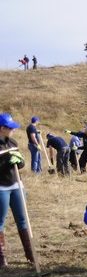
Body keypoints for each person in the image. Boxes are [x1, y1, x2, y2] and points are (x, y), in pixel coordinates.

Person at [0, 113, 34, 267]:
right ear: (2, 128)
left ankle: (30, 255)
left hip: (16, 185)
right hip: (1, 188)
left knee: (23, 220)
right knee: (0, 222)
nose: (13, 130)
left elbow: (20, 164)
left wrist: (19, 161)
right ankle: (1, 259)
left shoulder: (12, 142)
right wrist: (6, 162)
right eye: (10, 128)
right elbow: (5, 165)